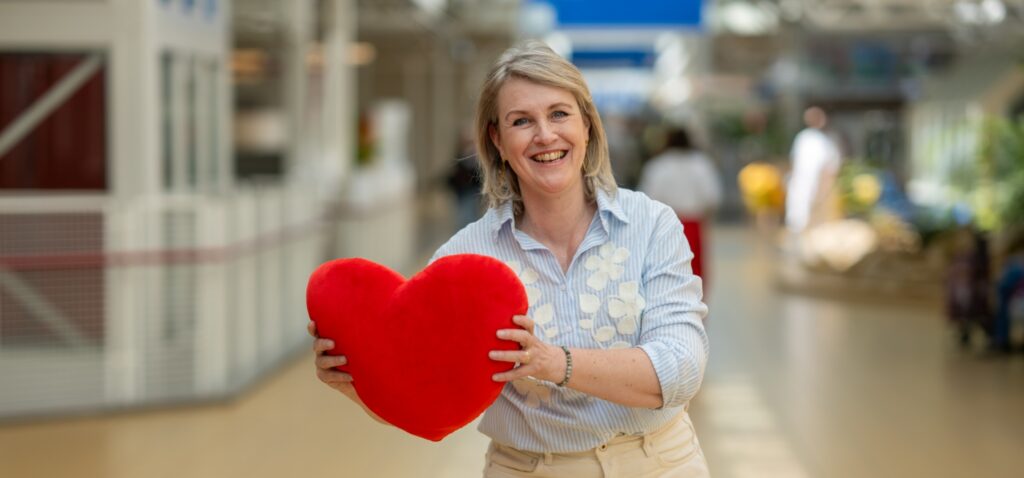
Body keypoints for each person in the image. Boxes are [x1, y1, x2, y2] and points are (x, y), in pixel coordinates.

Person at [309, 41, 710, 477]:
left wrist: (552, 362)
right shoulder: (465, 261)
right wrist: (360, 384)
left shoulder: (651, 225)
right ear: (497, 140)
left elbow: (682, 369)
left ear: (587, 125)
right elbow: (426, 398)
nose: (545, 135)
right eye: (522, 121)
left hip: (659, 464)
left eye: (559, 113)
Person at [638, 126, 722, 284]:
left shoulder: (657, 165)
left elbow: (647, 197)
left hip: (663, 224)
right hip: (693, 223)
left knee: (665, 270)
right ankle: (696, 306)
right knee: (695, 271)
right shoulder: (701, 164)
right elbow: (712, 197)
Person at [784, 106, 842, 234]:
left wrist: (825, 187)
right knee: (797, 215)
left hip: (818, 183)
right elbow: (794, 160)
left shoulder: (827, 139)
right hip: (800, 182)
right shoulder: (803, 137)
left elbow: (831, 166)